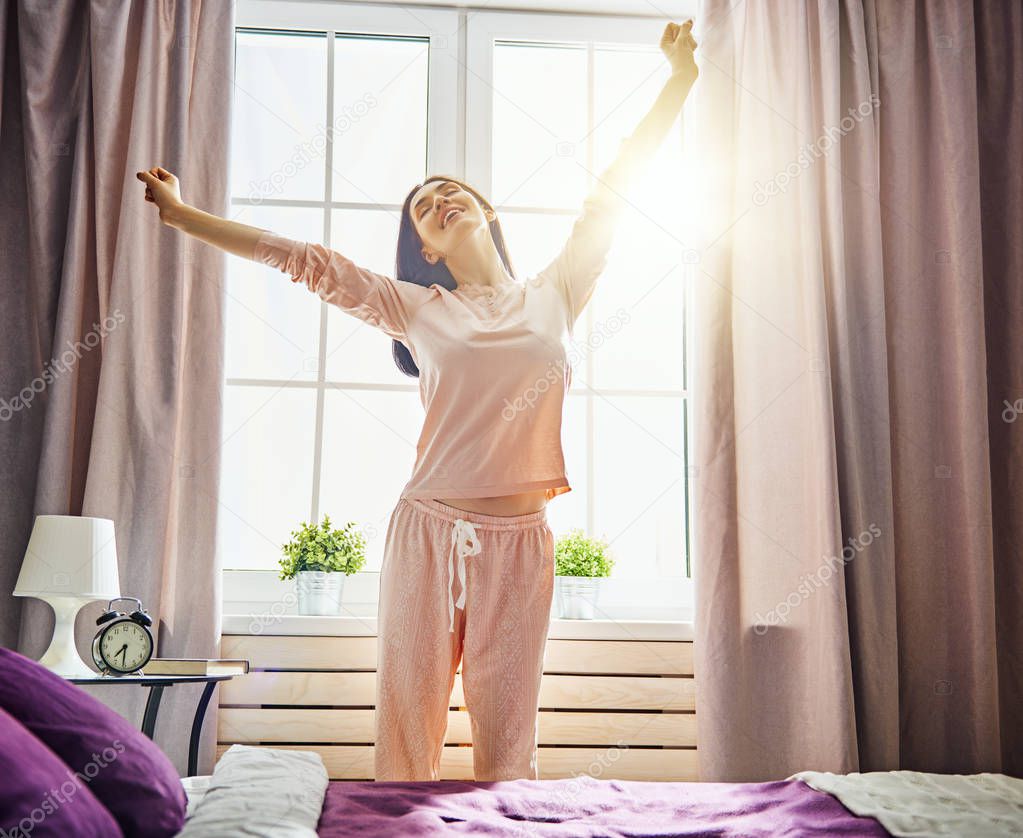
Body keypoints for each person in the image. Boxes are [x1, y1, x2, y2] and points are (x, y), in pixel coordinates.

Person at [137, 19, 698, 782]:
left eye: (451, 192)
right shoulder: (417, 307)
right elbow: (305, 261)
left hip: (521, 544)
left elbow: (613, 192)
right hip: (429, 532)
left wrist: (676, 83)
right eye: (425, 207)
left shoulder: (556, 291)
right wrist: (182, 215)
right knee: (408, 734)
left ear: (485, 212)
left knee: (508, 746)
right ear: (425, 249)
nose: (439, 200)